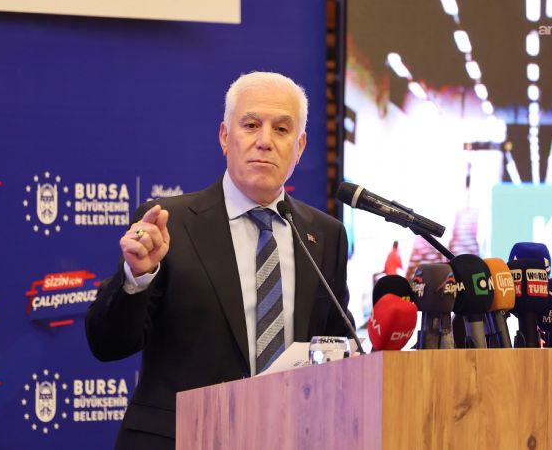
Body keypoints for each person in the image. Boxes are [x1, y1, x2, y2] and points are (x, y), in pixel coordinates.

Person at [86, 72, 354, 450]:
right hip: (184, 439)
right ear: (225, 137)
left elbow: (335, 345)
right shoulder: (169, 223)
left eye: (282, 129)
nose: (265, 141)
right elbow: (108, 344)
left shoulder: (325, 235)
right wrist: (137, 277)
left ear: (300, 146)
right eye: (251, 125)